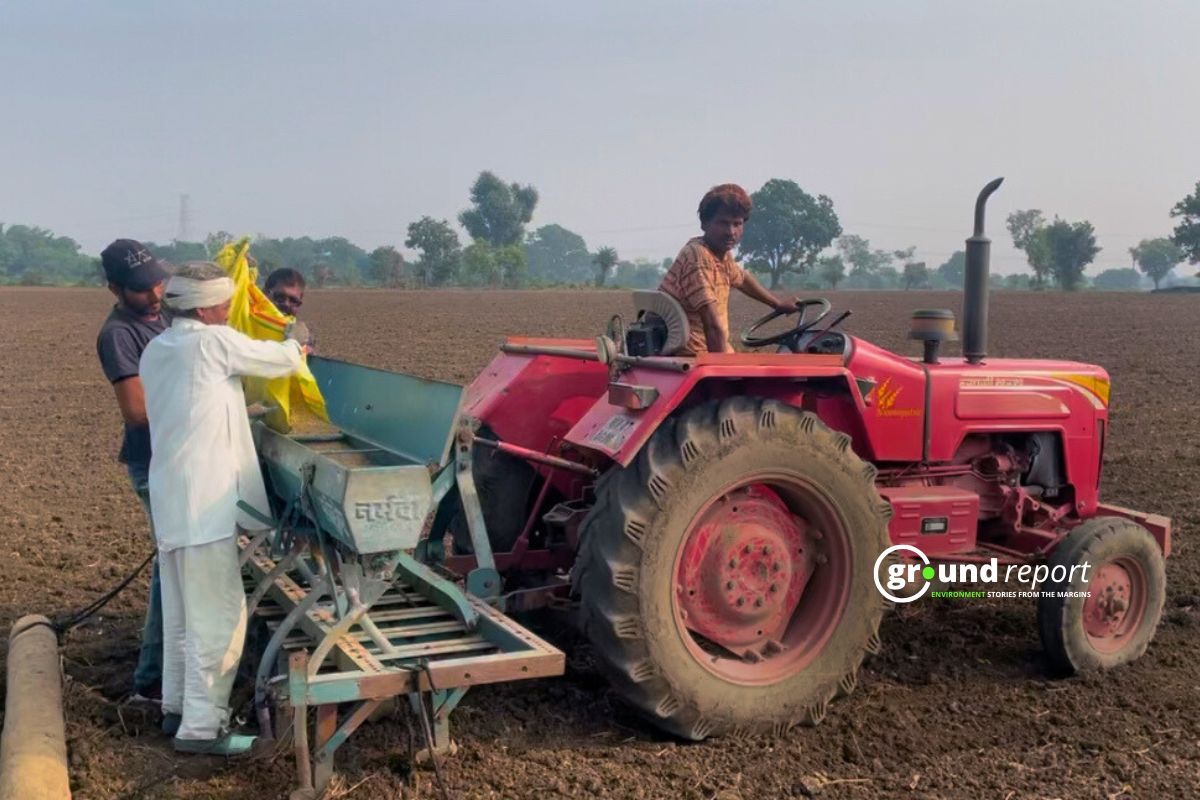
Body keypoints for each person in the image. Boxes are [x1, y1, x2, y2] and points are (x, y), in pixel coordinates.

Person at [140, 261, 309, 755]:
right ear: (208, 303)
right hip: (203, 502)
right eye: (225, 302)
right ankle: (203, 729)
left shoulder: (158, 348)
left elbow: (196, 400)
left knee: (182, 612)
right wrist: (297, 340)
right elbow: (279, 358)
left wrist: (239, 407)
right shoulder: (212, 343)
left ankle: (177, 709)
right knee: (218, 615)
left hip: (173, 496)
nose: (229, 309)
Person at [95, 238, 171, 703]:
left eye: (158, 281)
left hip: (182, 456)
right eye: (142, 289)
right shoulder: (118, 335)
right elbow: (137, 411)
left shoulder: (165, 315)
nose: (156, 293)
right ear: (115, 289)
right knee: (175, 564)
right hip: (154, 462)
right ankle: (149, 682)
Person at [659, 183, 797, 355]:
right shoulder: (699, 257)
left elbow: (742, 278)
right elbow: (712, 325)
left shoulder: (720, 255)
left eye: (737, 224)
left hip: (709, 350)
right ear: (704, 224)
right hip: (695, 353)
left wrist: (777, 304)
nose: (731, 232)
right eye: (723, 223)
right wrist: (721, 373)